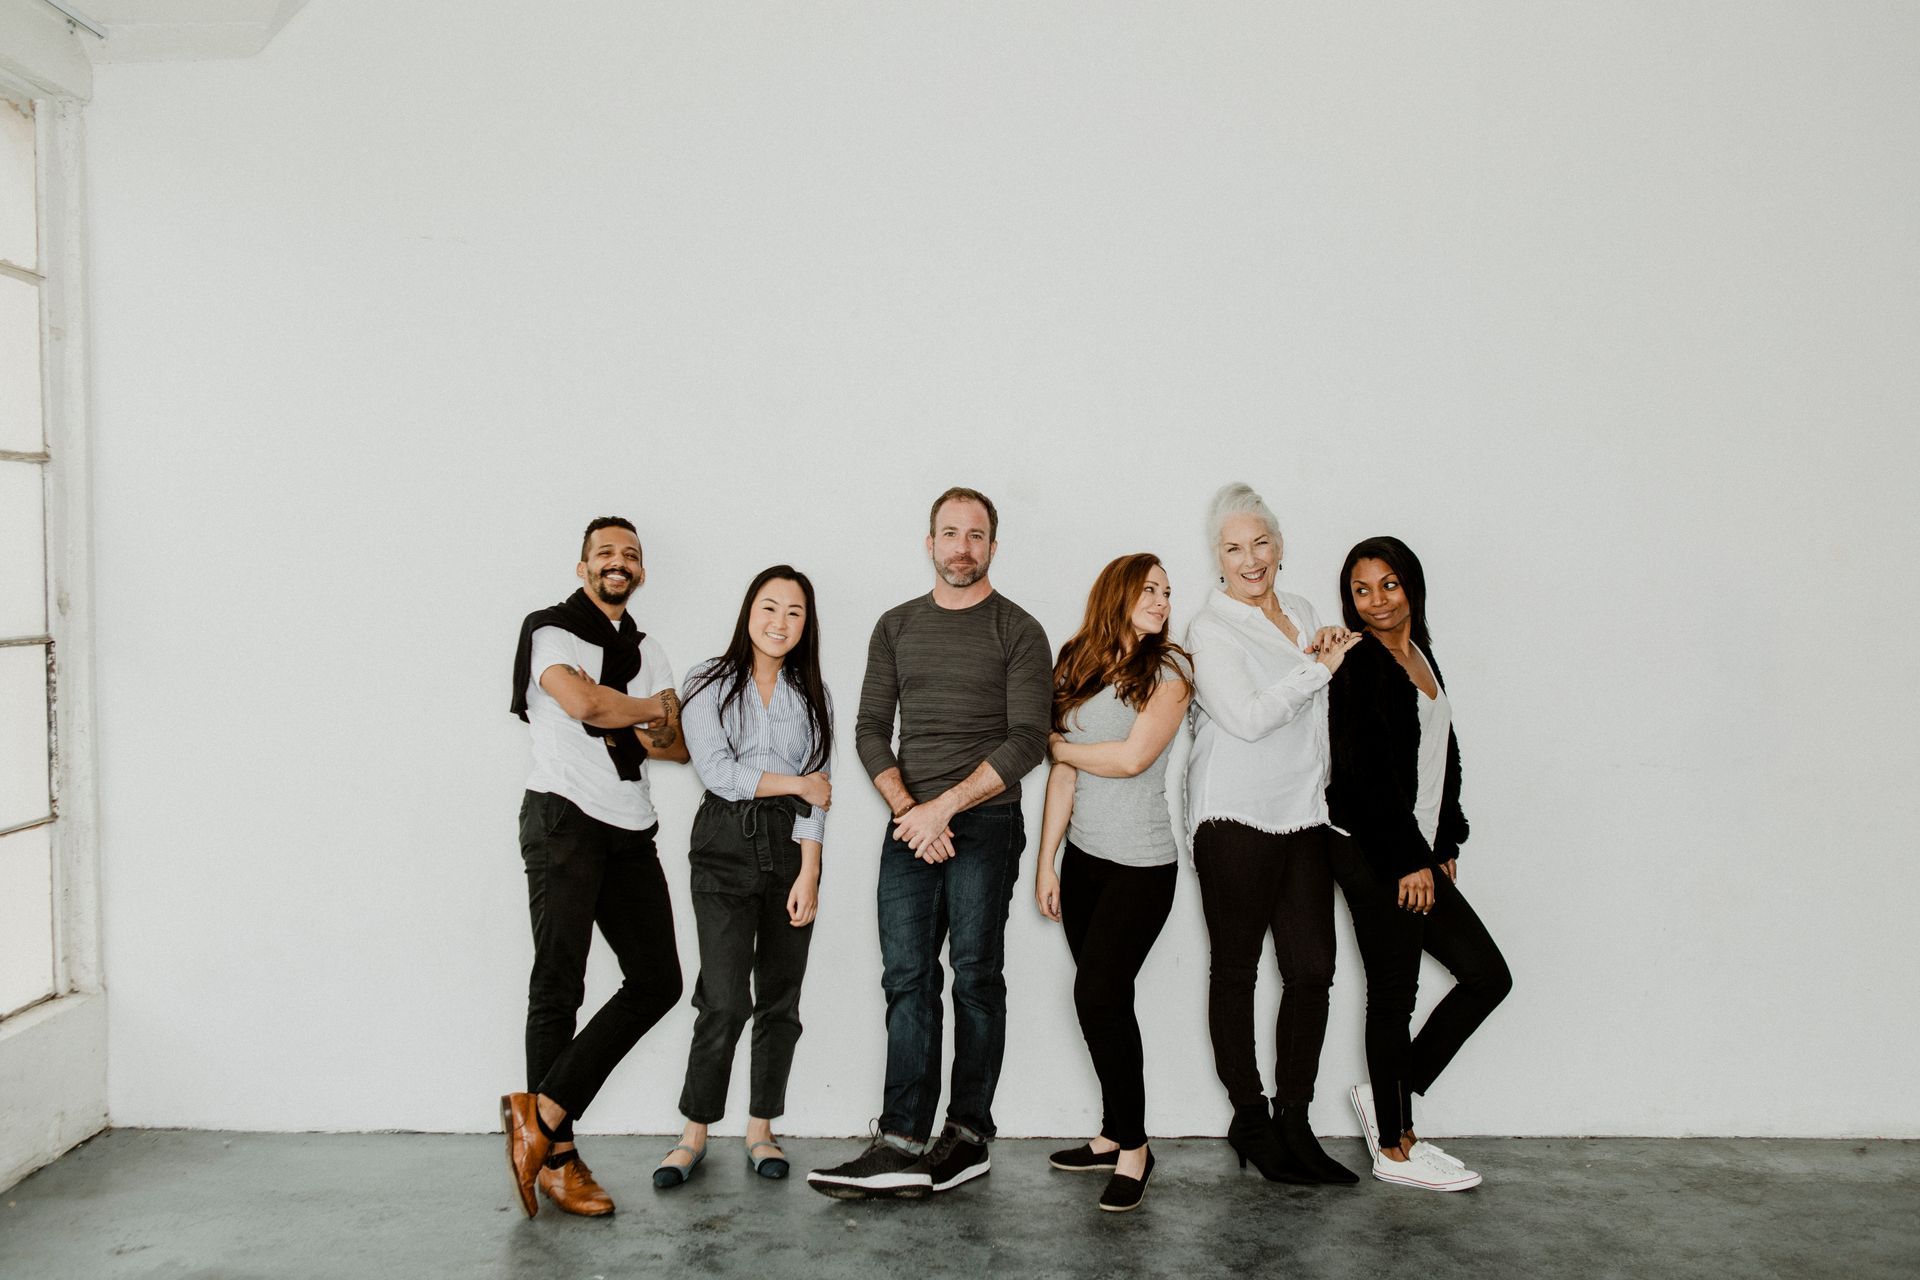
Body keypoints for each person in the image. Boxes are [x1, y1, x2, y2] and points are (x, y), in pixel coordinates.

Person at [807, 486, 1051, 1200]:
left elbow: (1028, 739)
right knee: (908, 978)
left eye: (976, 535)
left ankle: (967, 1136)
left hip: (985, 822)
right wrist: (912, 812)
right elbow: (868, 730)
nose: (962, 547)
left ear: (993, 547)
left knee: (975, 976)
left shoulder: (1020, 630)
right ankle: (901, 1141)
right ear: (929, 542)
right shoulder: (895, 626)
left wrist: (943, 808)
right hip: (911, 823)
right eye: (950, 533)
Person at [501, 517, 688, 1218]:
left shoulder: (650, 648)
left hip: (630, 828)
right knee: (560, 981)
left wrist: (635, 712)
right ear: (584, 566)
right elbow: (582, 702)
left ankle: (539, 1116)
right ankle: (558, 1158)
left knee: (658, 981)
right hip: (564, 820)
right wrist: (647, 707)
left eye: (631, 554)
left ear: (641, 572)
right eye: (606, 552)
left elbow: (672, 747)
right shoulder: (550, 629)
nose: (619, 562)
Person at [1183, 482, 1361, 1185]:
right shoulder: (1210, 627)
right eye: (1233, 548)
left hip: (1303, 814)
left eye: (1260, 543)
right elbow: (1250, 718)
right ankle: (1250, 1120)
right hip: (1233, 816)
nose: (1249, 558)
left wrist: (1324, 655)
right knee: (1236, 969)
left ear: (1280, 548)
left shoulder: (1307, 612)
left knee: (1312, 970)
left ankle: (1295, 1120)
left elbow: (1314, 719)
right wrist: (1318, 669)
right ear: (1217, 559)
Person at [1327, 537, 1512, 1192]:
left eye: (1389, 584)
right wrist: (1409, 859)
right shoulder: (1361, 665)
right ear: (1349, 600)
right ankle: (1395, 1146)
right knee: (1394, 993)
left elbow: (1444, 756)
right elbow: (1360, 780)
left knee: (1487, 976)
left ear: (1412, 587)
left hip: (1414, 852)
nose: (1376, 600)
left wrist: (1445, 846)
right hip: (1373, 851)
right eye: (1361, 589)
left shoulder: (1419, 655)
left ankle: (1389, 1096)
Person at [653, 566, 834, 1189]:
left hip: (788, 850)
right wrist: (796, 783)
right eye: (769, 607)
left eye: (794, 613)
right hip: (724, 844)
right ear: (748, 611)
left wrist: (809, 873)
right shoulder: (708, 680)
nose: (780, 623)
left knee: (780, 1002)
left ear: (806, 624)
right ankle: (693, 1133)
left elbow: (819, 799)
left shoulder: (814, 695)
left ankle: (761, 1130)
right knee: (725, 1000)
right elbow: (717, 772)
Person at [1033, 554, 1192, 1213]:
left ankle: (1134, 1150)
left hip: (1143, 865)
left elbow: (1131, 759)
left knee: (1097, 993)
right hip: (1085, 864)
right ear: (1118, 593)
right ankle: (1110, 1130)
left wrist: (1061, 747)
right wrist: (1046, 862)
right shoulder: (1076, 659)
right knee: (1107, 1002)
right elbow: (1061, 779)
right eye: (1148, 589)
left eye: (1166, 591)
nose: (1160, 600)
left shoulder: (1172, 670)